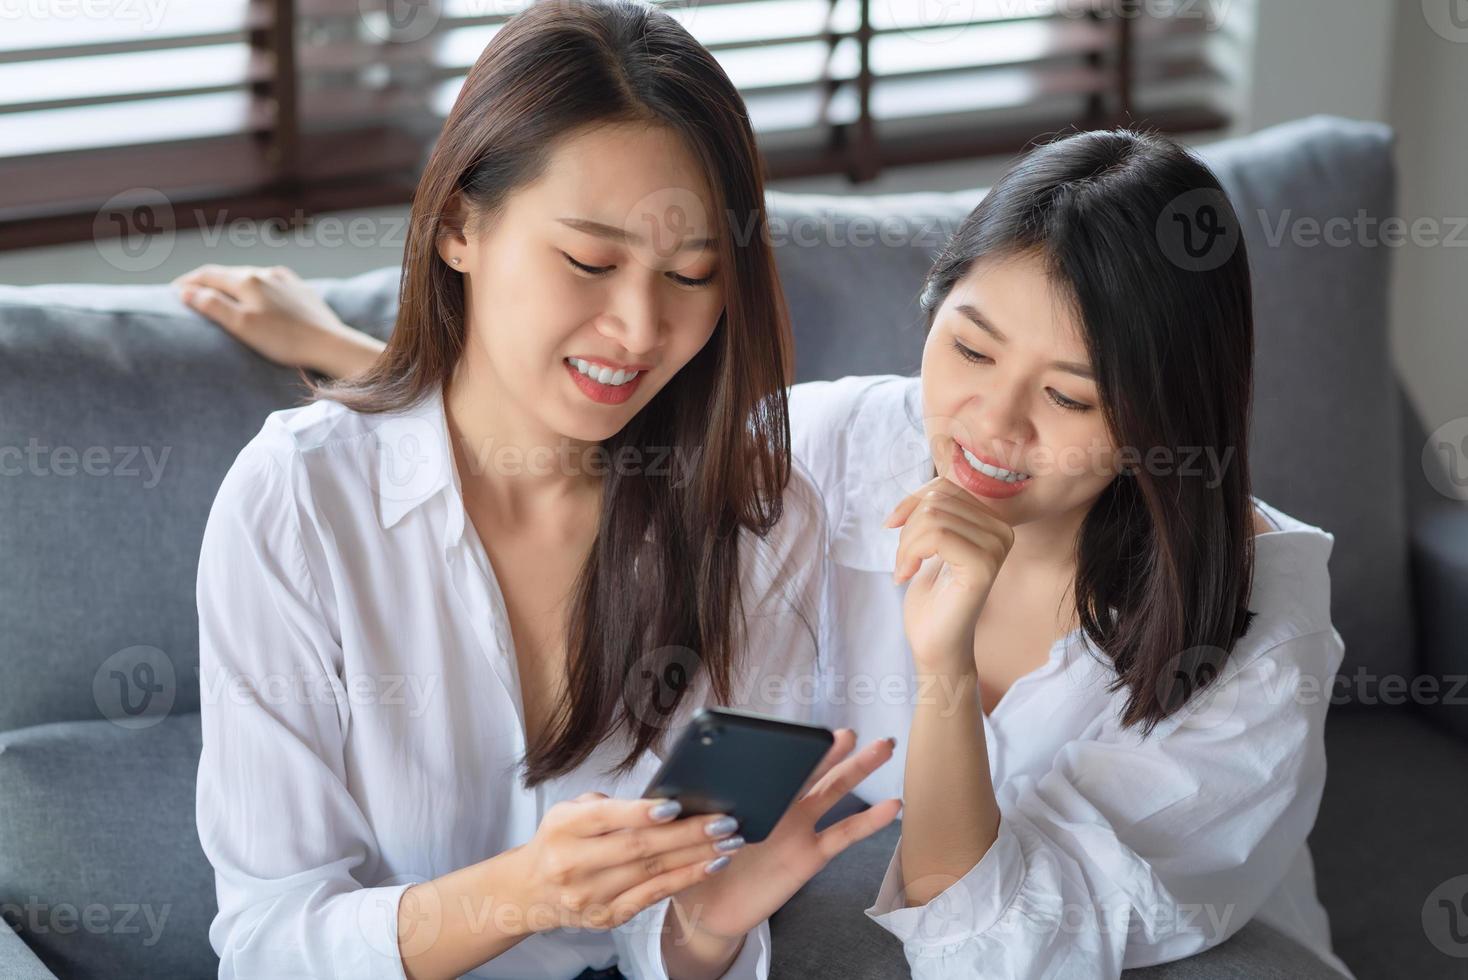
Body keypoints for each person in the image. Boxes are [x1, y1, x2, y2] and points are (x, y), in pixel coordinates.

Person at [180, 129, 1353, 980]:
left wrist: (941, 662)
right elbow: (572, 432)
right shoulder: (843, 446)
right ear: (930, 305)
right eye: (970, 348)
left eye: (1069, 396)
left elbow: (1002, 943)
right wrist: (354, 355)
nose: (993, 428)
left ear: (1168, 416)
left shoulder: (1256, 616)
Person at [188, 3, 900, 979]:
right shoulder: (301, 502)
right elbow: (271, 943)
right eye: (590, 262)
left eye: (691, 274)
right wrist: (522, 890)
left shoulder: (756, 518)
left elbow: (675, 934)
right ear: (456, 228)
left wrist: (710, 924)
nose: (641, 327)